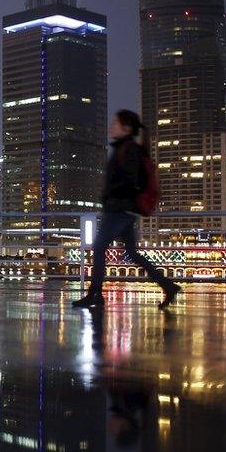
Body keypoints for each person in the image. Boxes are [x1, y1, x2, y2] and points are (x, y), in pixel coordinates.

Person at [72, 109, 181, 309]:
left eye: (116, 122)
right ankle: (168, 286)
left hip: (119, 211)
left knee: (98, 248)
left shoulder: (129, 150)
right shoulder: (125, 148)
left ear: (127, 128)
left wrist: (111, 195)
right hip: (123, 210)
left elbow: (131, 181)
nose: (111, 126)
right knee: (132, 253)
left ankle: (95, 294)